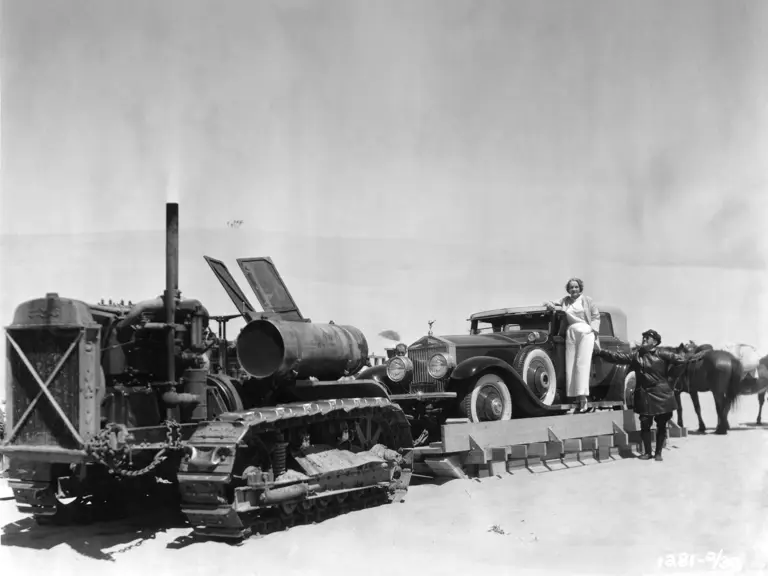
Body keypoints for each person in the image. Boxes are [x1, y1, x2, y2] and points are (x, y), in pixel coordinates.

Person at [594, 329, 687, 461]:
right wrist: (601, 352)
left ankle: (658, 453)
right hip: (645, 395)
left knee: (661, 425)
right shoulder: (637, 355)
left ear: (654, 342)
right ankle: (647, 452)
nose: (644, 339)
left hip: (662, 394)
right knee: (645, 424)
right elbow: (618, 357)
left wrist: (670, 379)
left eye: (647, 338)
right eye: (643, 337)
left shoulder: (662, 353)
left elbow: (681, 361)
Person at [544, 277, 601, 412]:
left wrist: (592, 329)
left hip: (585, 331)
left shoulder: (588, 300)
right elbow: (549, 303)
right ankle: (574, 398)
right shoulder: (565, 300)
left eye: (576, 287)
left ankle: (583, 398)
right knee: (571, 365)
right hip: (571, 332)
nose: (573, 289)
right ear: (568, 289)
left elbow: (595, 316)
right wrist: (549, 304)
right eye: (571, 287)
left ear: (580, 288)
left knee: (582, 363)